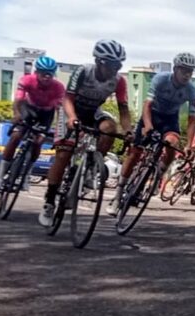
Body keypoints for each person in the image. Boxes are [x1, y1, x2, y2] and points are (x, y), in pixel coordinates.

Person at [39, 40, 131, 226]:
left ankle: (90, 168)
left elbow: (123, 109)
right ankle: (49, 201)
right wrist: (71, 118)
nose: (115, 69)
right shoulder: (83, 71)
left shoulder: (119, 81)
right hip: (72, 109)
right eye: (111, 64)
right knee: (63, 154)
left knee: (110, 129)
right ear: (98, 61)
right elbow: (67, 98)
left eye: (118, 65)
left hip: (93, 112)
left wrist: (128, 131)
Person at [108, 52, 195, 216]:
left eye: (190, 71)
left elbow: (193, 120)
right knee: (135, 152)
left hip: (170, 119)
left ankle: (159, 175)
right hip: (151, 114)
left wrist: (189, 145)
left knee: (172, 143)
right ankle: (117, 195)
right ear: (175, 69)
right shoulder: (161, 79)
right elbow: (147, 105)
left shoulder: (192, 91)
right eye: (184, 70)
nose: (187, 75)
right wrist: (148, 126)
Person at [0, 56, 65, 191]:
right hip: (28, 109)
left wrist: (59, 132)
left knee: (38, 142)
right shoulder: (27, 80)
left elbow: (60, 111)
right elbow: (18, 100)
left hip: (45, 114)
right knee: (15, 137)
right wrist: (17, 115)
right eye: (43, 73)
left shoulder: (58, 87)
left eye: (50, 74)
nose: (46, 77)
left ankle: (26, 175)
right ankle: (0, 176)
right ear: (36, 72)